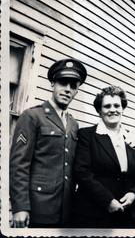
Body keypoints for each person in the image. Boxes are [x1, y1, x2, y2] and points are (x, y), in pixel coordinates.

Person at [10, 58, 87, 228]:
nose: (68, 89)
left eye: (73, 86)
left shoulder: (73, 124)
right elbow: (19, 165)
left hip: (65, 211)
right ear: (53, 84)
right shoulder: (32, 116)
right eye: (63, 83)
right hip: (38, 209)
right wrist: (20, 207)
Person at [71, 85, 135, 228]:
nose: (112, 109)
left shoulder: (132, 137)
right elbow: (82, 173)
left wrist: (134, 194)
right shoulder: (87, 135)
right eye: (107, 106)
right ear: (99, 111)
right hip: (93, 215)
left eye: (116, 105)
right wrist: (108, 200)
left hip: (126, 216)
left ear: (122, 109)